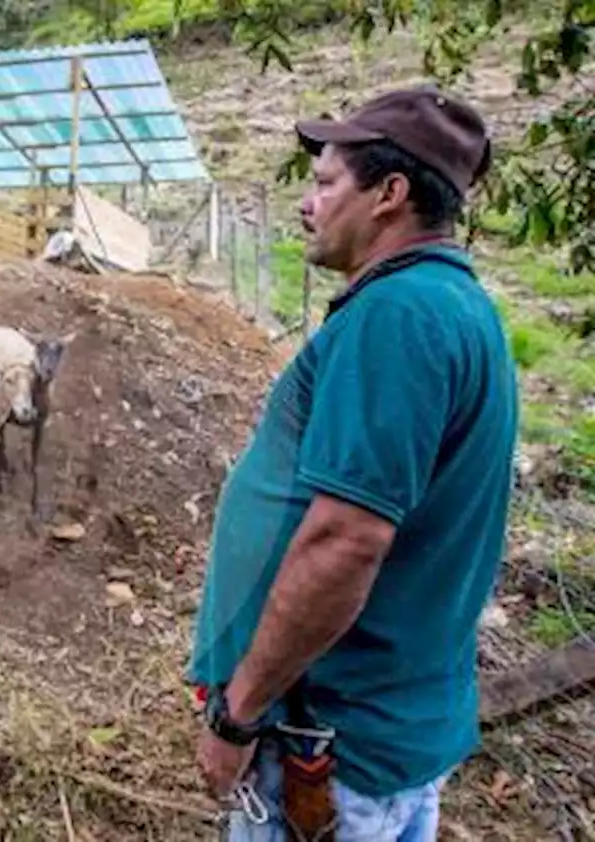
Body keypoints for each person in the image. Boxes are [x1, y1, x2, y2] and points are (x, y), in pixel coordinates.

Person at [187, 86, 518, 842]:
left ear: (389, 195)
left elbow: (346, 540)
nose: (309, 204)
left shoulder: (397, 318)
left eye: (326, 183)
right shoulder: (459, 307)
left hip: (335, 746)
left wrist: (236, 718)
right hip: (395, 724)